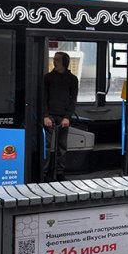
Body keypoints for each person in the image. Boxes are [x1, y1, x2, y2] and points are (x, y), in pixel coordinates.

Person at [43, 51, 78, 181]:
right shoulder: (47, 78)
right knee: (46, 146)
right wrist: (45, 116)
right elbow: (43, 98)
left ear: (64, 62)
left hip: (63, 117)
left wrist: (67, 117)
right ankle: (45, 173)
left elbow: (73, 100)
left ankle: (59, 172)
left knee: (62, 147)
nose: (54, 61)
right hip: (50, 116)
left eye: (57, 60)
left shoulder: (72, 79)